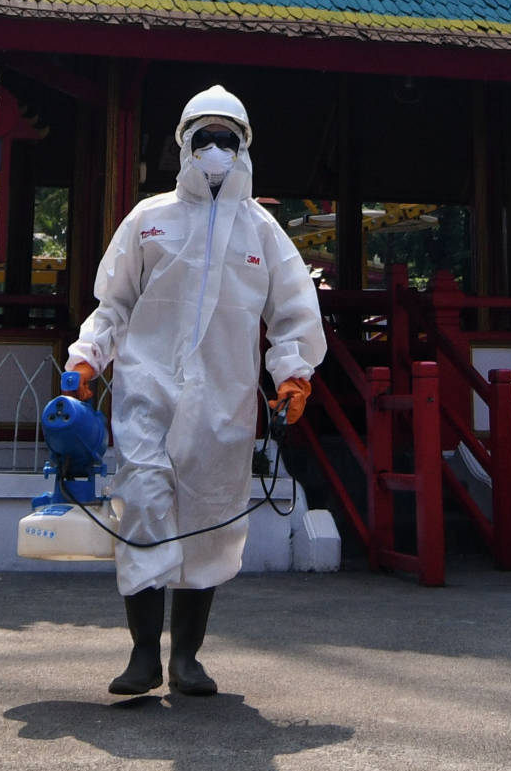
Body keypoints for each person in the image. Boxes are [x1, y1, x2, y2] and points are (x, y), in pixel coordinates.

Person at [63, 87, 323, 698]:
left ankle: (186, 660)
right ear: (182, 145)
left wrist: (292, 373)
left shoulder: (262, 231)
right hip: (146, 391)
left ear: (243, 148)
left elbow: (293, 311)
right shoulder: (149, 219)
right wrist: (86, 362)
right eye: (202, 138)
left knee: (208, 521)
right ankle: (142, 657)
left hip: (225, 400)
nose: (213, 150)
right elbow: (114, 305)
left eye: (225, 139)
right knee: (146, 508)